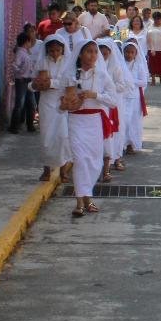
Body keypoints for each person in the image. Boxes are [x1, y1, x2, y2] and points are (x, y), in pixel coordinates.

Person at [62, 40, 117, 217]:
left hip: (94, 121)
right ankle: (79, 202)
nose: (92, 55)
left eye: (95, 52)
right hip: (76, 121)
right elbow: (61, 102)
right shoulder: (72, 75)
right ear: (80, 54)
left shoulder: (102, 75)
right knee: (80, 159)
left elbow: (113, 100)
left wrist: (95, 95)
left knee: (94, 162)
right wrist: (69, 102)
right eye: (88, 52)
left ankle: (88, 198)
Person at [32, 32, 72, 184]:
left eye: (57, 50)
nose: (55, 53)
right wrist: (36, 85)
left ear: (62, 49)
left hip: (62, 102)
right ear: (47, 50)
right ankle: (46, 169)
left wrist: (51, 83)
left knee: (62, 136)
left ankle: (63, 170)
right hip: (46, 103)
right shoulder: (42, 63)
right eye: (52, 50)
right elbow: (32, 83)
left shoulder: (68, 63)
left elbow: (69, 81)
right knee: (46, 137)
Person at [97, 39, 131, 176]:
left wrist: (108, 88)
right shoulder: (95, 65)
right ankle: (102, 163)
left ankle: (116, 158)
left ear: (110, 53)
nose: (103, 56)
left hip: (114, 104)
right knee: (102, 134)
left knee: (116, 132)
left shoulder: (116, 66)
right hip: (99, 103)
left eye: (105, 53)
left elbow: (123, 85)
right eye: (101, 53)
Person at [121, 40, 149, 156]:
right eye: (127, 52)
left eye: (132, 52)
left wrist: (130, 81)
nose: (129, 54)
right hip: (122, 96)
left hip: (135, 98)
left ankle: (130, 144)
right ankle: (121, 144)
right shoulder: (120, 64)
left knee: (132, 122)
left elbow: (143, 81)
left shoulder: (138, 65)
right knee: (124, 121)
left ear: (135, 54)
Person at [9, 32, 37, 134]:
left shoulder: (25, 52)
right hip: (21, 81)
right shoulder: (20, 53)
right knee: (19, 103)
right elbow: (15, 65)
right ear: (26, 42)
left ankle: (30, 125)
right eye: (30, 41)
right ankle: (14, 126)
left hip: (28, 80)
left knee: (31, 104)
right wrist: (20, 73)